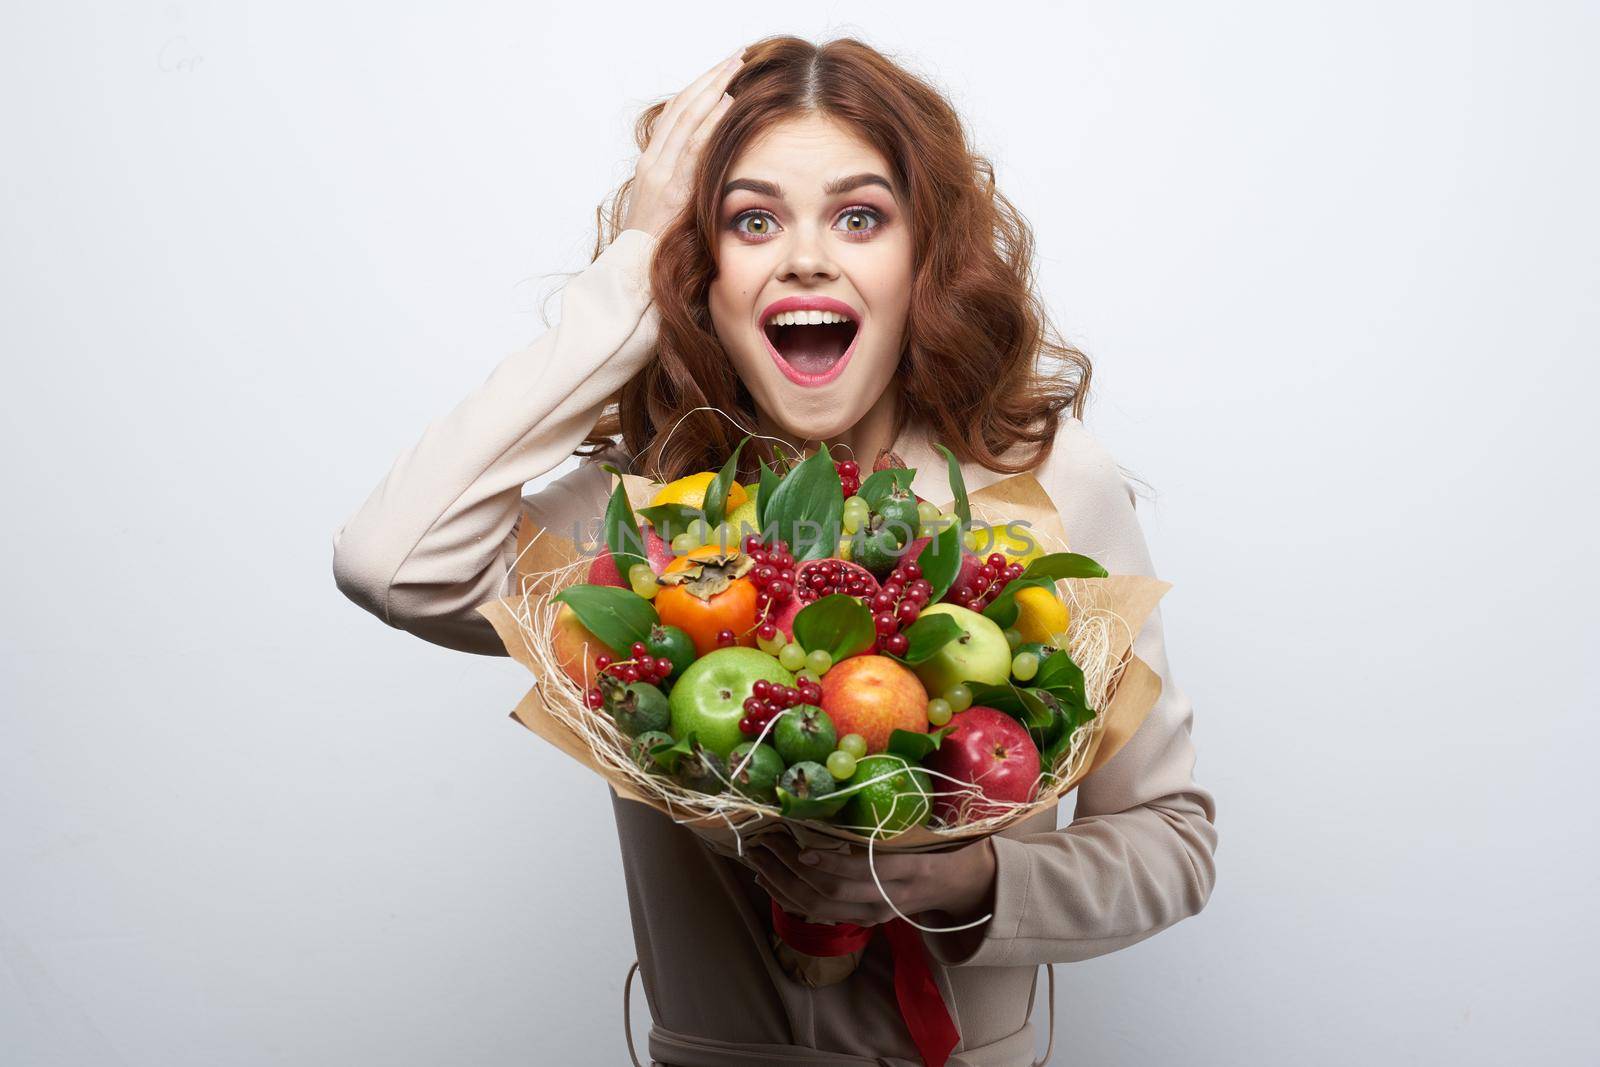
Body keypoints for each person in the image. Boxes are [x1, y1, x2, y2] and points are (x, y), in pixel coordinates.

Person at [332, 36, 1217, 1067]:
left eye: (859, 216)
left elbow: (1172, 840)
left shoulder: (1047, 485)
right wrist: (628, 277)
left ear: (922, 257)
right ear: (701, 271)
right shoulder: (643, 520)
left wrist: (973, 882)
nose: (806, 256)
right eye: (751, 220)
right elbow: (391, 561)